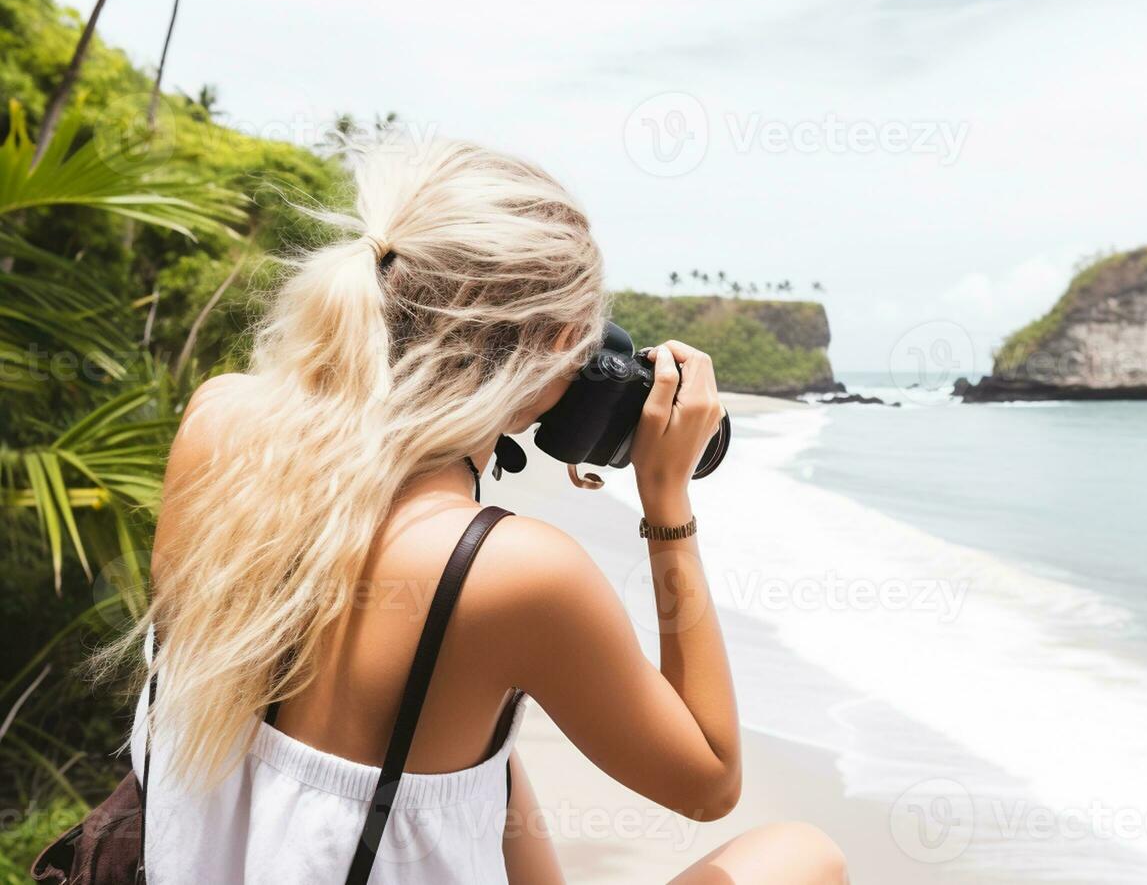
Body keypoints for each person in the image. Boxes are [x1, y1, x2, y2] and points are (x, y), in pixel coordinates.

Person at [128, 141, 848, 884]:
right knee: (800, 857)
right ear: (561, 346)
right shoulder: (510, 572)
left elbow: (430, 762)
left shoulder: (217, 424)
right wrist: (667, 504)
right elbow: (709, 780)